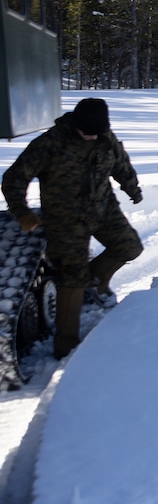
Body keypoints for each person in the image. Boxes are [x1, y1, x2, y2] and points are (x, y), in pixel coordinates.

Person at [1, 98, 144, 358]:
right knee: (72, 277)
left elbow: (121, 164)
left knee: (129, 247)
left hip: (103, 208)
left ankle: (96, 282)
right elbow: (13, 179)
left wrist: (132, 188)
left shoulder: (105, 136)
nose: (90, 137)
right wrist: (21, 213)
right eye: (85, 133)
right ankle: (66, 347)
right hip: (65, 219)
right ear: (75, 125)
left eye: (95, 133)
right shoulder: (50, 143)